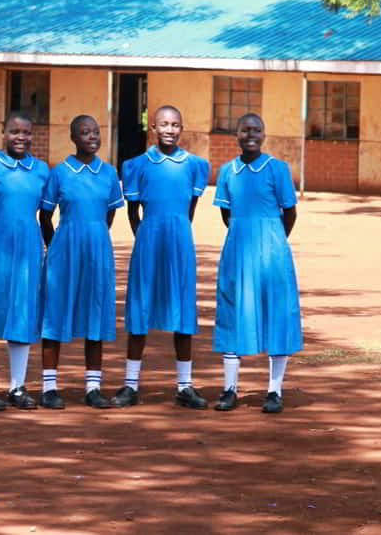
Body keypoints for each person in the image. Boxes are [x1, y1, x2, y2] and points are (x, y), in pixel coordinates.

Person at [111, 105, 210, 410]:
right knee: (139, 311)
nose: (169, 130)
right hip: (149, 239)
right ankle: (130, 385)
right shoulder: (137, 165)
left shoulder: (194, 165)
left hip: (180, 239)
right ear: (152, 128)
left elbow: (191, 207)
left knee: (183, 311)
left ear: (182, 128)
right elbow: (132, 211)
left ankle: (184, 385)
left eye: (175, 125)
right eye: (164, 124)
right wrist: (147, 236)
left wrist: (177, 228)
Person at [212, 113, 301, 414]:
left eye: (257, 130)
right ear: (236, 134)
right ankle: (229, 389)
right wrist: (245, 235)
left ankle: (274, 391)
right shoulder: (227, 171)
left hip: (273, 252)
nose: (251, 134)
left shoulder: (278, 169)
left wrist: (272, 240)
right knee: (232, 311)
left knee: (277, 313)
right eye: (245, 130)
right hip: (238, 250)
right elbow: (227, 215)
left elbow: (289, 213)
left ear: (264, 135)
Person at [39, 116, 124, 409]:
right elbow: (45, 216)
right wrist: (58, 246)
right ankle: (49, 387)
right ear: (73, 138)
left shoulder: (109, 174)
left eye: (96, 132)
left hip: (98, 250)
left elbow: (110, 214)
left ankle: (93, 387)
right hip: (64, 250)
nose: (92, 137)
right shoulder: (59, 173)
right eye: (85, 132)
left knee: (95, 313)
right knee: (55, 313)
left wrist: (94, 235)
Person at [0, 114, 50, 410]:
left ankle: (17, 387)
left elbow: (46, 215)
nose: (21, 137)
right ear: (2, 133)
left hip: (28, 247)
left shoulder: (41, 170)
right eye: (14, 131)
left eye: (27, 132)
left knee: (22, 311)